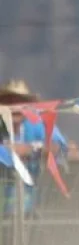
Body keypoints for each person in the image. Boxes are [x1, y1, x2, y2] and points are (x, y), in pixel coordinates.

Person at [0, 79, 73, 219]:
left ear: (28, 105)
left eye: (20, 101)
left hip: (31, 213)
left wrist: (31, 149)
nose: (14, 107)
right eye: (8, 101)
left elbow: (58, 147)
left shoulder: (36, 123)